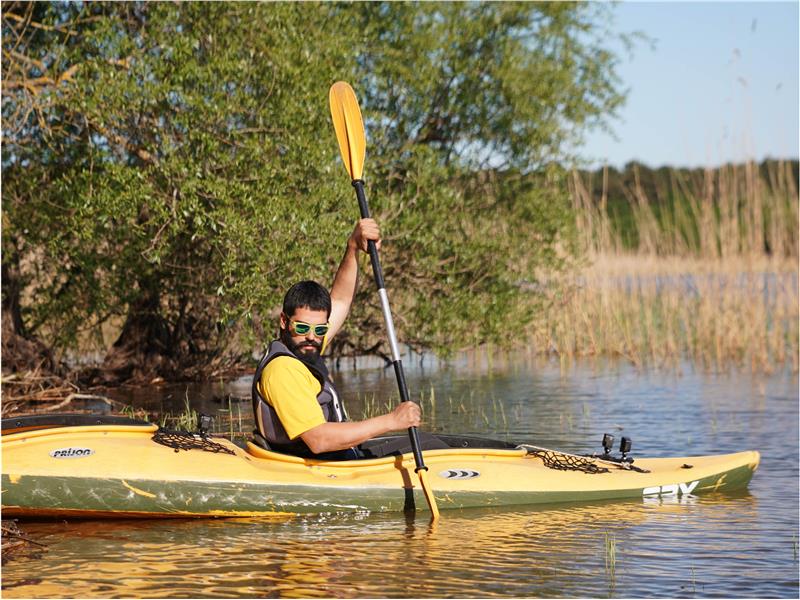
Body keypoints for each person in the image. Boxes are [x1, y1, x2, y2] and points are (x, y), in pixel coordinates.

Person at [251, 218, 425, 460]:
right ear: (284, 321)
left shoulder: (305, 347)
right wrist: (391, 420)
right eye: (302, 327)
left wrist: (353, 247)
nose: (311, 336)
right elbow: (319, 440)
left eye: (320, 329)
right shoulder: (283, 370)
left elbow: (341, 300)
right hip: (321, 465)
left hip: (341, 457)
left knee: (432, 444)